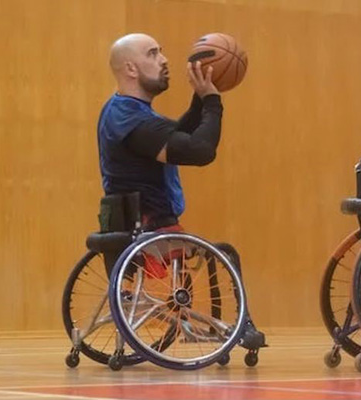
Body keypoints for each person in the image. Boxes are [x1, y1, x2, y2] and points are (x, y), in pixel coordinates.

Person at [96, 33, 265, 350]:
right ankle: (242, 328)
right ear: (131, 69)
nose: (164, 59)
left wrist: (200, 99)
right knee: (226, 252)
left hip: (129, 224)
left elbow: (176, 136)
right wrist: (213, 102)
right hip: (150, 230)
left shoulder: (123, 111)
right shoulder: (132, 119)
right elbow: (200, 150)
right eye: (153, 53)